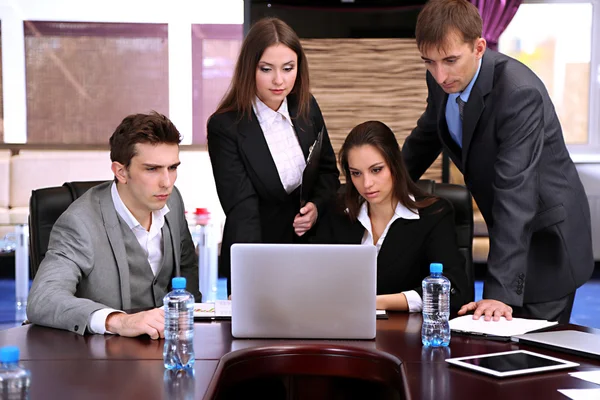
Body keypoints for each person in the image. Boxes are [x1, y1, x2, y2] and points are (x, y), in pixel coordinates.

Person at [401, 0, 594, 323]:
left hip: (547, 241)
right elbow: (426, 136)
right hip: (509, 234)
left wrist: (499, 292)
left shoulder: (517, 92)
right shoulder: (443, 81)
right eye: (429, 62)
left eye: (450, 60)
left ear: (478, 47)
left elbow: (515, 191)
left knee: (535, 361)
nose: (440, 75)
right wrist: (387, 184)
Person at [27, 112, 200, 338]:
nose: (167, 182)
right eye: (152, 169)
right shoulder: (80, 223)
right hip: (104, 356)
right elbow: (43, 299)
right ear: (121, 171)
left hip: (169, 349)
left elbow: (186, 262)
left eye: (172, 168)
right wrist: (118, 321)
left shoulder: (172, 200)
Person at [207, 17, 340, 295]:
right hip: (257, 251)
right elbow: (242, 208)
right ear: (249, 69)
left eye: (288, 68)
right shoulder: (225, 126)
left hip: (310, 247)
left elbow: (328, 172)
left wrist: (316, 206)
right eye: (266, 69)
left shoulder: (306, 106)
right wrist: (251, 279)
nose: (279, 80)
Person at [314, 121, 469, 311]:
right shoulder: (337, 212)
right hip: (342, 327)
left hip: (406, 333)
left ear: (394, 165)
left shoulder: (433, 215)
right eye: (356, 173)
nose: (367, 183)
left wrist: (375, 303)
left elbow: (454, 290)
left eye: (376, 170)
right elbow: (314, 280)